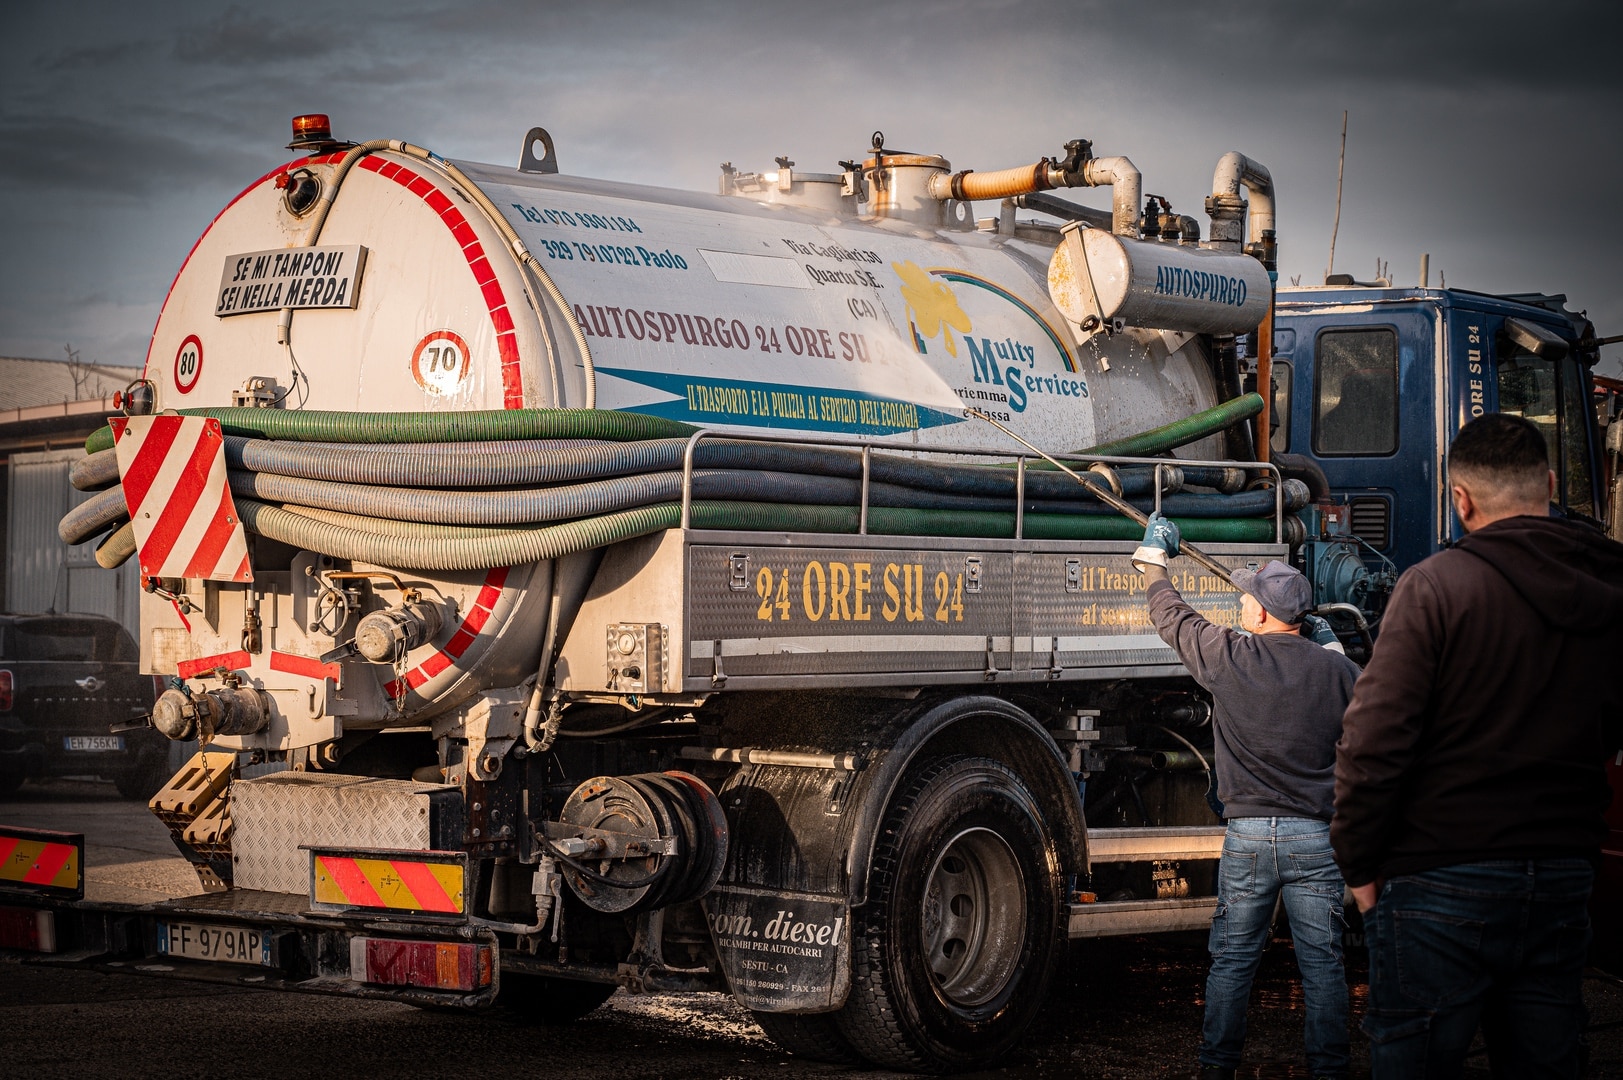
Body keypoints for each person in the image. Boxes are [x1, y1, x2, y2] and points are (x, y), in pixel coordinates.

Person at [1332, 412, 1623, 1077]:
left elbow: (1370, 744)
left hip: (1439, 880)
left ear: (1459, 500)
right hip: (1560, 877)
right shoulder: (1608, 590)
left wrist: (1358, 867)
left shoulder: (1435, 588)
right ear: (1548, 483)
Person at [1134, 517, 1362, 1080]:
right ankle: (1330, 1072)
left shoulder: (1231, 657)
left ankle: (1218, 1069)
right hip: (1316, 838)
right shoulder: (1339, 674)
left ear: (1263, 614)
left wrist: (1155, 563)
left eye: (1245, 599)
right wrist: (1332, 654)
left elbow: (1173, 618)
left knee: (1233, 961)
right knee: (1323, 966)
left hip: (1250, 839)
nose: (1239, 605)